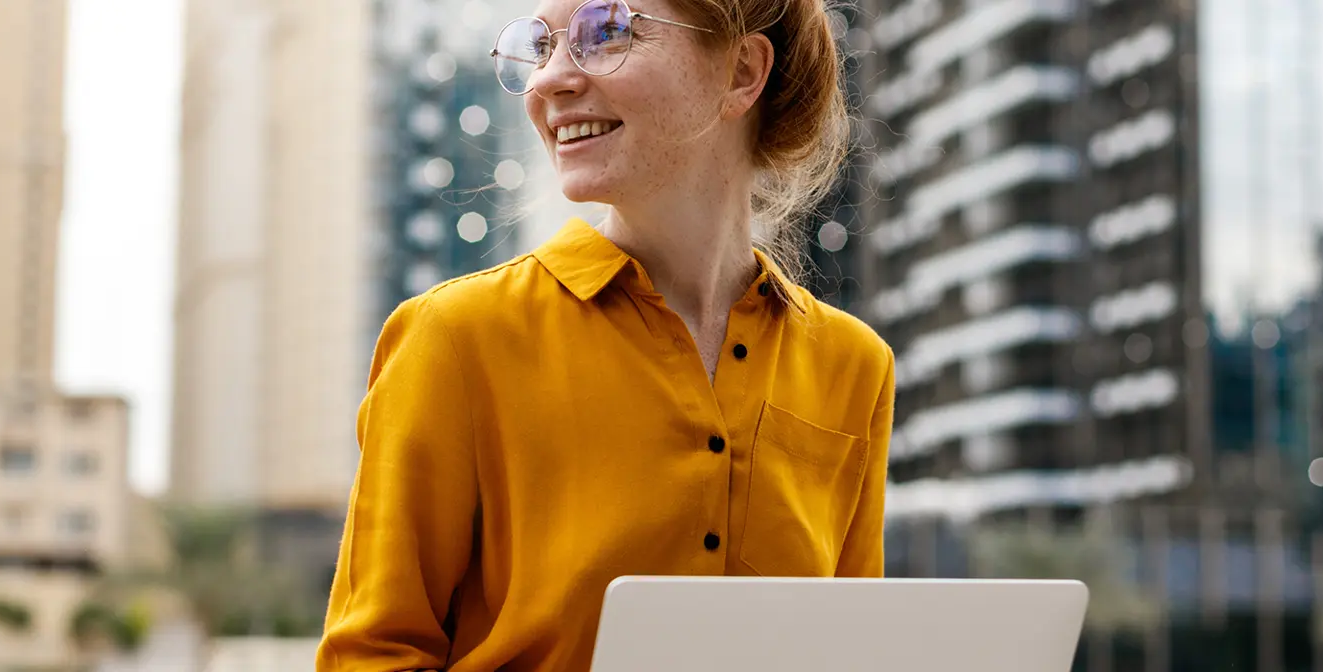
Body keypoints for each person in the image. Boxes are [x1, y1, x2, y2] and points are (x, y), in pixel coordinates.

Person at [317, 0, 894, 669]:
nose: (546, 81)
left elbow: (851, 647)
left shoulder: (854, 366)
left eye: (608, 32)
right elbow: (369, 657)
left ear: (741, 72)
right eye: (541, 48)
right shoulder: (453, 338)